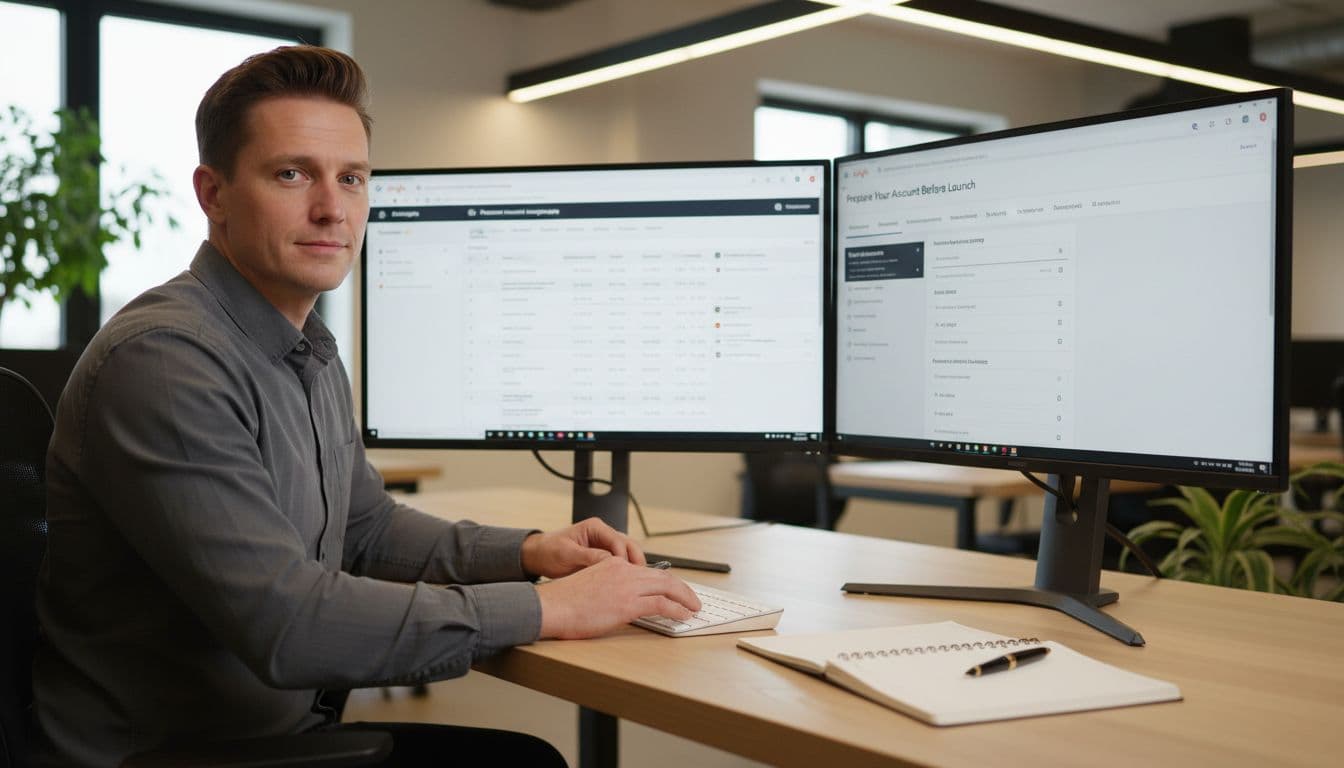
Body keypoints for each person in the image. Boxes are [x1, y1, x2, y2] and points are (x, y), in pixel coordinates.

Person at [31, 45, 700, 768]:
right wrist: (550, 608)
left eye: (351, 178)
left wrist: (530, 552)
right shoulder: (165, 361)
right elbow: (287, 625)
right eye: (292, 174)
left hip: (275, 734)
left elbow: (366, 528)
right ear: (213, 193)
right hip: (174, 755)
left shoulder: (306, 347)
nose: (330, 208)